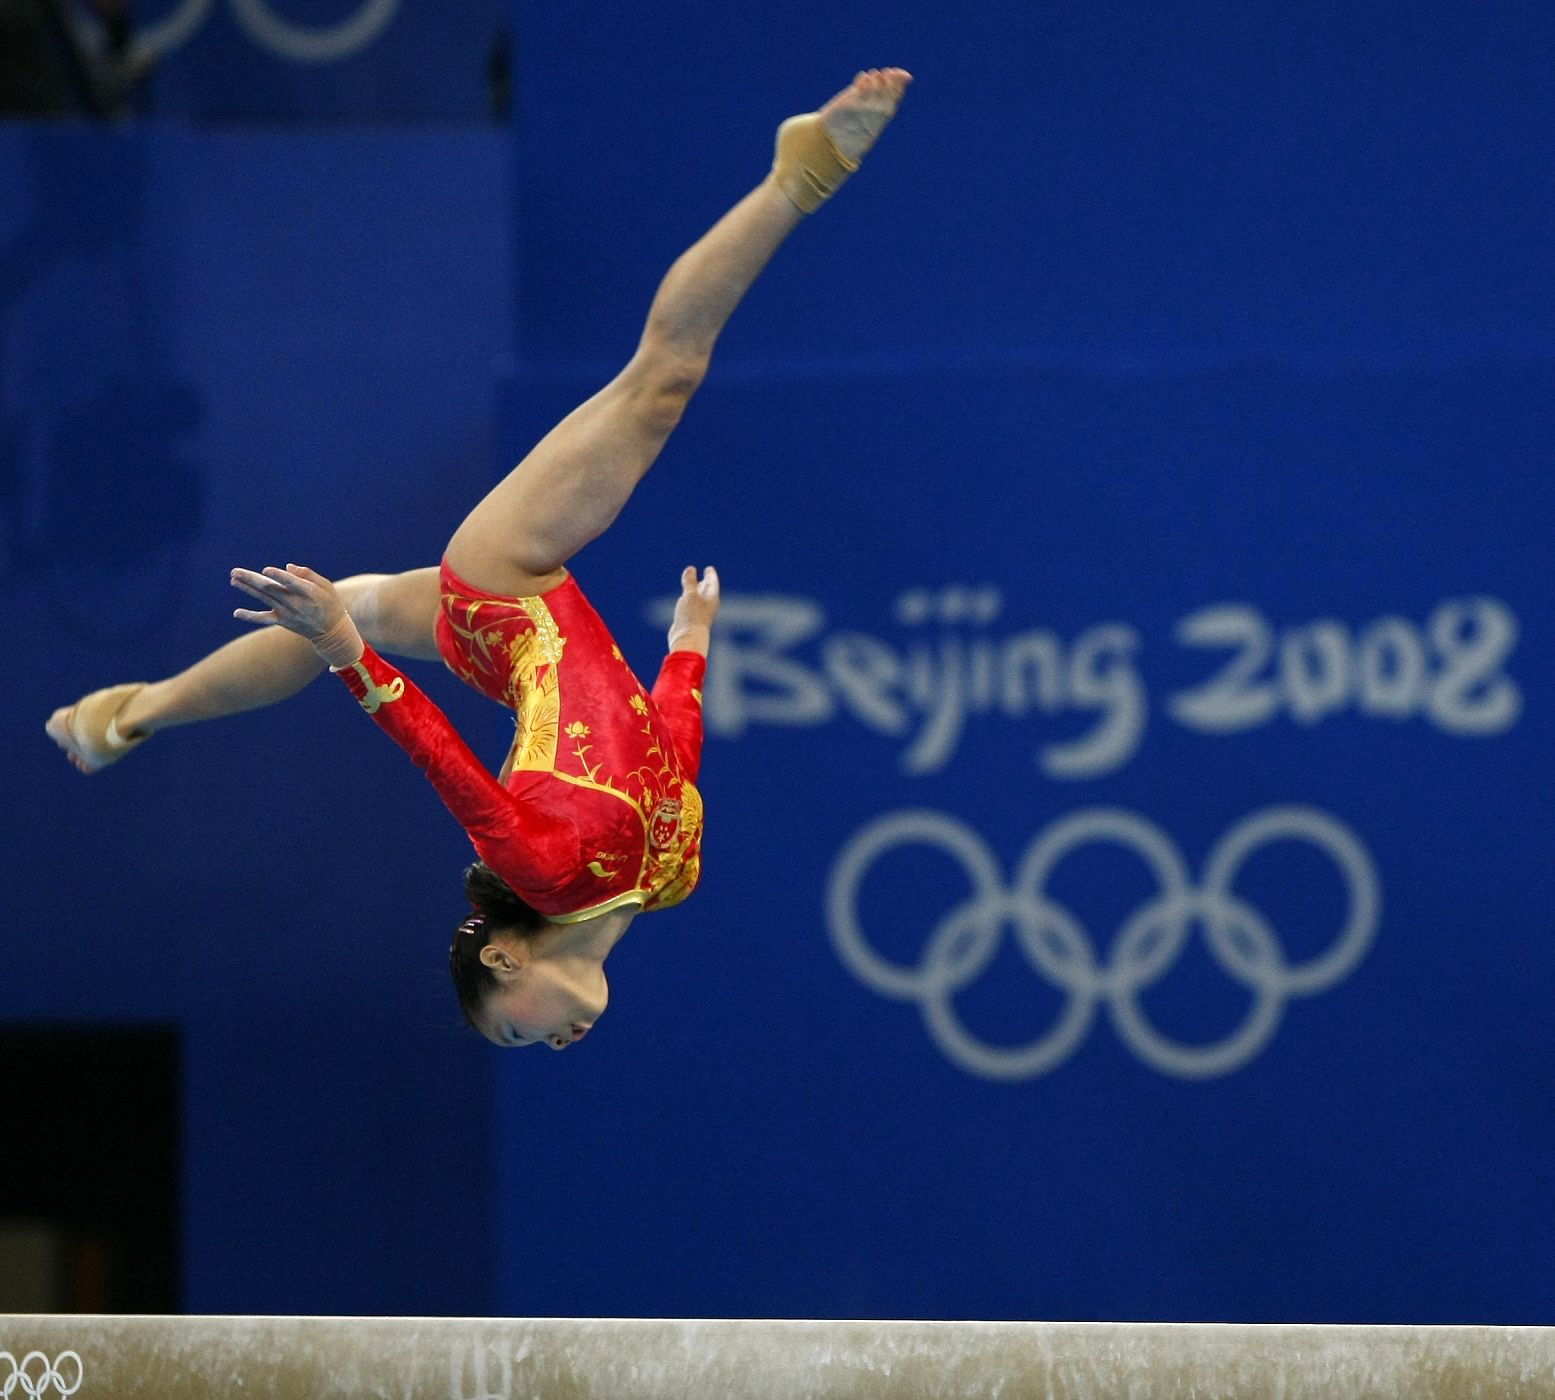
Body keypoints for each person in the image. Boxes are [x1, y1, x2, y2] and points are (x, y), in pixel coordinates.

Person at [46, 67, 913, 1050]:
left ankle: (795, 175)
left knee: (661, 379)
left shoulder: (546, 871)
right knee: (357, 601)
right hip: (494, 650)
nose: (545, 1041)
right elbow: (669, 757)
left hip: (507, 586)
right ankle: (133, 711)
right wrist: (689, 646)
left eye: (511, 1031)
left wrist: (345, 655)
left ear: (505, 959)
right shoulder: (670, 880)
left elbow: (441, 758)